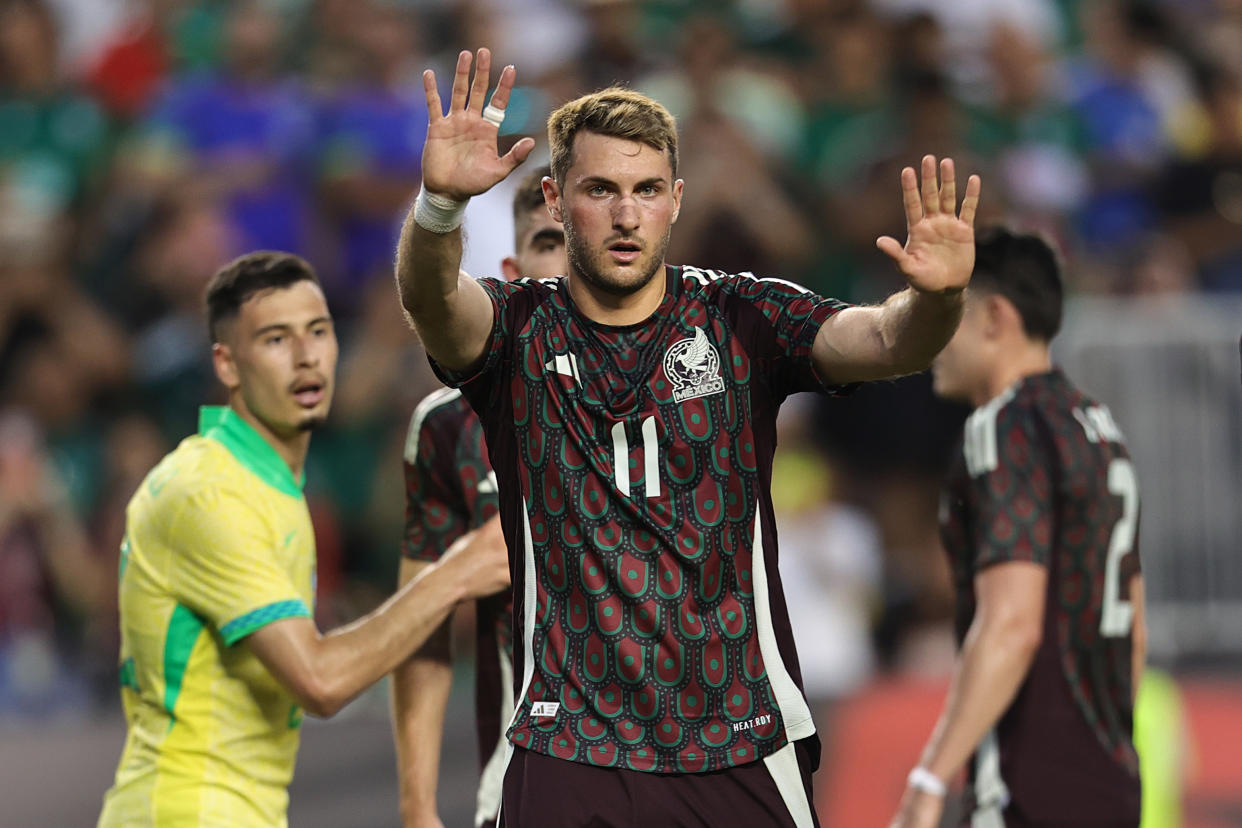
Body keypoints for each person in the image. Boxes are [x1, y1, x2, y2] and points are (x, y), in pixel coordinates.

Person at [396, 48, 980, 827]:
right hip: (570, 745)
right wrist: (439, 207)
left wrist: (937, 302)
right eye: (599, 190)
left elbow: (886, 341)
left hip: (734, 739)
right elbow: (433, 302)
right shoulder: (518, 334)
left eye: (645, 191)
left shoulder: (742, 319)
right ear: (555, 200)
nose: (626, 214)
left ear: (676, 200)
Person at [98, 251, 509, 827]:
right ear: (227, 363)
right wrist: (461, 569)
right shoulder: (208, 494)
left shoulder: (264, 484)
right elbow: (321, 681)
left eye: (318, 332)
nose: (305, 356)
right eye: (274, 339)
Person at [890, 228, 1146, 828]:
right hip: (1112, 783)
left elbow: (1012, 624)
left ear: (996, 317)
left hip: (1026, 784)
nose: (933, 340)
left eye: (947, 313)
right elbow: (1135, 626)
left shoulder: (1002, 428)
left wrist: (929, 778)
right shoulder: (1100, 428)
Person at [391, 164, 567, 828]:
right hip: (526, 789)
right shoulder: (449, 426)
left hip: (674, 775)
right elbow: (421, 634)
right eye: (552, 241)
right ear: (514, 266)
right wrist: (417, 807)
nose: (571, 261)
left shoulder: (685, 399)